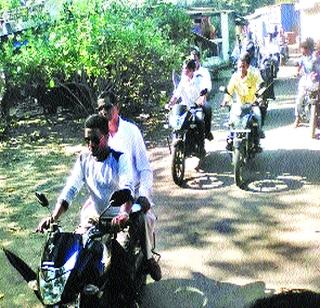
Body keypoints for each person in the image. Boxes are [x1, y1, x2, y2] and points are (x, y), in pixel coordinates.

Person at [36, 114, 161, 281]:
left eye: (95, 139)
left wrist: (123, 214)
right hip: (95, 216)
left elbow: (127, 188)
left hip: (119, 218)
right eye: (87, 140)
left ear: (107, 137)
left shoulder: (119, 158)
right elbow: (70, 189)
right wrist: (53, 217)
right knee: (77, 253)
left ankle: (144, 268)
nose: (90, 145)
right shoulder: (84, 159)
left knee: (122, 262)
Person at [97, 93, 161, 281]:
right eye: (100, 109)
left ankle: (148, 258)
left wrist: (144, 195)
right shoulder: (99, 136)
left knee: (144, 220)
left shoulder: (131, 131)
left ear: (117, 106)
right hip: (108, 197)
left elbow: (144, 169)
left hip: (131, 195)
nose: (103, 112)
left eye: (107, 107)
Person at [222, 52, 264, 151]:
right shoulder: (234, 77)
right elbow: (229, 91)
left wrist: (260, 97)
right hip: (239, 105)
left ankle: (257, 142)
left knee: (258, 116)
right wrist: (225, 101)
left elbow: (261, 86)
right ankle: (230, 139)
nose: (241, 69)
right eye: (239, 66)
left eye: (243, 66)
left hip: (252, 104)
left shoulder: (254, 75)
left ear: (248, 66)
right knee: (231, 120)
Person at [169, 59, 209, 156]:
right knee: (175, 122)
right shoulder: (183, 80)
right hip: (185, 108)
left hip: (196, 108)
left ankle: (201, 146)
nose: (184, 71)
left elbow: (204, 91)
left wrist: (202, 98)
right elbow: (177, 94)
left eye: (186, 69)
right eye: (183, 69)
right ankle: (178, 141)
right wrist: (171, 103)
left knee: (199, 121)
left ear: (191, 70)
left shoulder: (199, 79)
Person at [190, 48, 214, 141]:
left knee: (208, 109)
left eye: (195, 60)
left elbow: (208, 85)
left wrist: (203, 95)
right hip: (189, 100)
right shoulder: (187, 70)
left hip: (201, 99)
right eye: (192, 60)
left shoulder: (204, 71)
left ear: (199, 59)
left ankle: (207, 132)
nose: (193, 62)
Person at [294, 38, 316, 128]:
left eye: (303, 49)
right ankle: (298, 117)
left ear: (307, 49)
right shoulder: (303, 58)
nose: (302, 51)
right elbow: (299, 66)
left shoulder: (314, 58)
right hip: (305, 79)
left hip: (314, 80)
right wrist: (297, 72)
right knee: (299, 99)